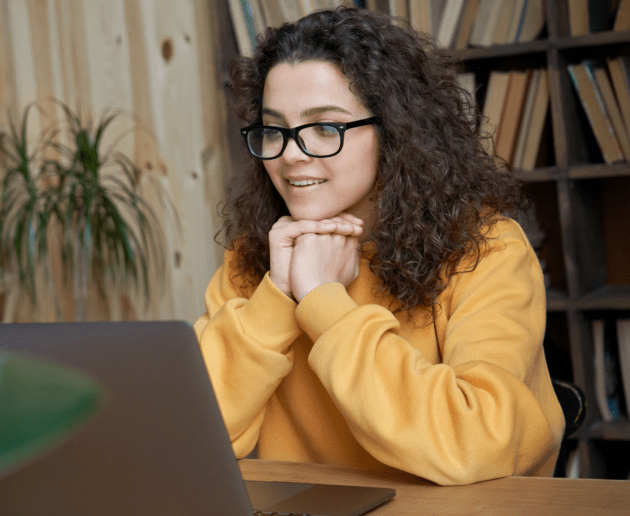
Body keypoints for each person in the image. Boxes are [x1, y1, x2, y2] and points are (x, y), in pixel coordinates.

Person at [194, 6, 565, 486]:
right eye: (274, 129)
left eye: (324, 128)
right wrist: (276, 297)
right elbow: (192, 438)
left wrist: (323, 301)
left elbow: (476, 443)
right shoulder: (253, 262)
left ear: (393, 132)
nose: (289, 154)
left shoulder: (488, 251)